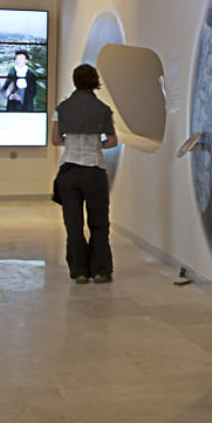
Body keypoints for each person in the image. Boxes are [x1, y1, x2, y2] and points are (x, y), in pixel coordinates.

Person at [51, 64, 118, 284]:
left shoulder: (62, 108)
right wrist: (97, 145)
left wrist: (72, 143)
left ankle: (79, 271)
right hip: (94, 170)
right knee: (99, 223)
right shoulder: (103, 109)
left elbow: (56, 140)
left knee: (73, 224)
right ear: (95, 81)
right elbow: (112, 141)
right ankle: (100, 270)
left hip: (69, 171)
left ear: (75, 81)